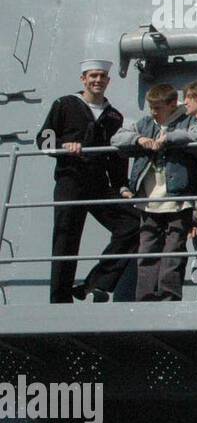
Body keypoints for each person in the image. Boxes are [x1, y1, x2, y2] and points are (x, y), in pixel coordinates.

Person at [41, 59, 140, 303]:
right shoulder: (64, 105)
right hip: (71, 181)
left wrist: (122, 187)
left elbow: (116, 159)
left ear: (108, 81)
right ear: (83, 79)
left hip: (99, 185)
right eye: (93, 76)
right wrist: (63, 146)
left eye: (102, 76)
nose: (97, 80)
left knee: (131, 223)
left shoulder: (113, 116)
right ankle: (59, 301)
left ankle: (97, 282)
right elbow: (43, 140)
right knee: (66, 240)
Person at [111, 83, 197, 301]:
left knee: (173, 251)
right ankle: (145, 296)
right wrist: (139, 139)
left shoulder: (188, 120)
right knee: (147, 251)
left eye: (158, 107)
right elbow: (116, 138)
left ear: (173, 104)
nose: (153, 112)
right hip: (150, 201)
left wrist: (169, 139)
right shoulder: (145, 124)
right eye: (151, 107)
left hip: (178, 200)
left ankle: (169, 295)